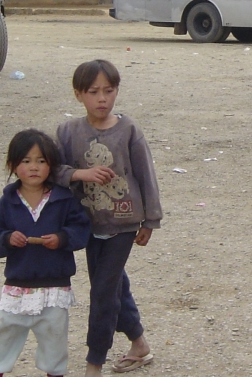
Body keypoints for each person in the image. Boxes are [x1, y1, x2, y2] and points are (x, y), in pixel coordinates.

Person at [54, 60, 163, 377]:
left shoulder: (128, 130)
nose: (102, 98)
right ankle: (139, 343)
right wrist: (81, 173)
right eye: (93, 92)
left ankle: (94, 363)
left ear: (117, 91)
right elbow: (53, 171)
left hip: (124, 225)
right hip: (88, 224)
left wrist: (150, 220)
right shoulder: (68, 132)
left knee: (102, 292)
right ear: (78, 95)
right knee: (114, 286)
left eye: (109, 90)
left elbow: (146, 176)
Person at [0, 129, 92, 377]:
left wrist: (62, 239)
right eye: (26, 161)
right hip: (17, 285)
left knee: (54, 338)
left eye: (41, 161)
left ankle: (54, 373)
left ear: (52, 166)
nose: (34, 167)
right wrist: (8, 239)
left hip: (54, 286)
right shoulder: (7, 202)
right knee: (3, 332)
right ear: (12, 165)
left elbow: (81, 229)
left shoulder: (64, 200)